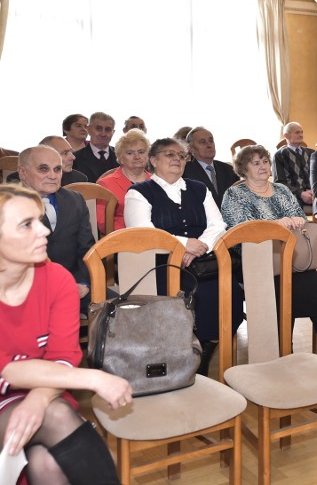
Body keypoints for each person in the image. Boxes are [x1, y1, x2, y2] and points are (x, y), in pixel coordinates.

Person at [0, 184, 131, 485]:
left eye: (40, 220)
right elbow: (6, 367)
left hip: (49, 393)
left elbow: (63, 355)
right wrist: (95, 378)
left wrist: (39, 398)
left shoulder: (57, 278)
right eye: (26, 225)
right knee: (58, 420)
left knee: (47, 463)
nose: (44, 231)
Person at [124, 138, 244, 376]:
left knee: (230, 292)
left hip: (203, 261)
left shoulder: (199, 188)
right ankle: (180, 359)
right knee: (188, 295)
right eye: (169, 154)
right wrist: (183, 246)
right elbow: (144, 233)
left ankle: (204, 352)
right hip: (160, 264)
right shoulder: (138, 193)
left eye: (181, 155)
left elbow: (218, 224)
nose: (177, 159)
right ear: (153, 161)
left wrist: (200, 247)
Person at [221, 145, 317, 339]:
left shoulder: (281, 189)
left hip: (294, 258)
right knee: (281, 294)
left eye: (265, 161)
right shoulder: (234, 194)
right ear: (243, 169)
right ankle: (283, 348)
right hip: (259, 260)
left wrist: (297, 220)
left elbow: (299, 216)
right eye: (256, 163)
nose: (263, 166)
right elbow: (239, 229)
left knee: (316, 291)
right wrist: (274, 225)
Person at [18, 146, 95, 313]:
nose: (53, 176)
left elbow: (88, 248)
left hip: (75, 284)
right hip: (26, 289)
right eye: (43, 169)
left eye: (57, 169)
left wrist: (84, 283)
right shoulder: (8, 205)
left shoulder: (75, 200)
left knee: (117, 311)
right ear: (23, 173)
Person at [96, 129, 151, 233]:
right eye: (130, 153)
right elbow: (102, 223)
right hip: (122, 239)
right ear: (121, 158)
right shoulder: (105, 184)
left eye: (141, 152)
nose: (137, 157)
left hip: (158, 237)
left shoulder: (157, 182)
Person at [182, 127, 239, 208]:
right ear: (190, 149)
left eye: (211, 141)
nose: (209, 145)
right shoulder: (184, 172)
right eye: (202, 142)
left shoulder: (229, 170)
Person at [5, 136, 87, 186]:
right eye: (65, 153)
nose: (73, 157)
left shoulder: (79, 179)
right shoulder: (18, 179)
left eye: (71, 152)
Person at [272, 122, 314, 214]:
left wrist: (314, 191)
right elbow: (279, 183)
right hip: (293, 196)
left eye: (302, 132)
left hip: (314, 194)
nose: (301, 135)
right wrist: (300, 194)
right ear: (286, 135)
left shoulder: (312, 153)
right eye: (297, 132)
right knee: (291, 206)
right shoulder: (280, 155)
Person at [72, 112, 119, 182]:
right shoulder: (75, 159)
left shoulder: (122, 157)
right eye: (98, 129)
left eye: (108, 129)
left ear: (113, 132)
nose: (103, 134)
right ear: (89, 130)